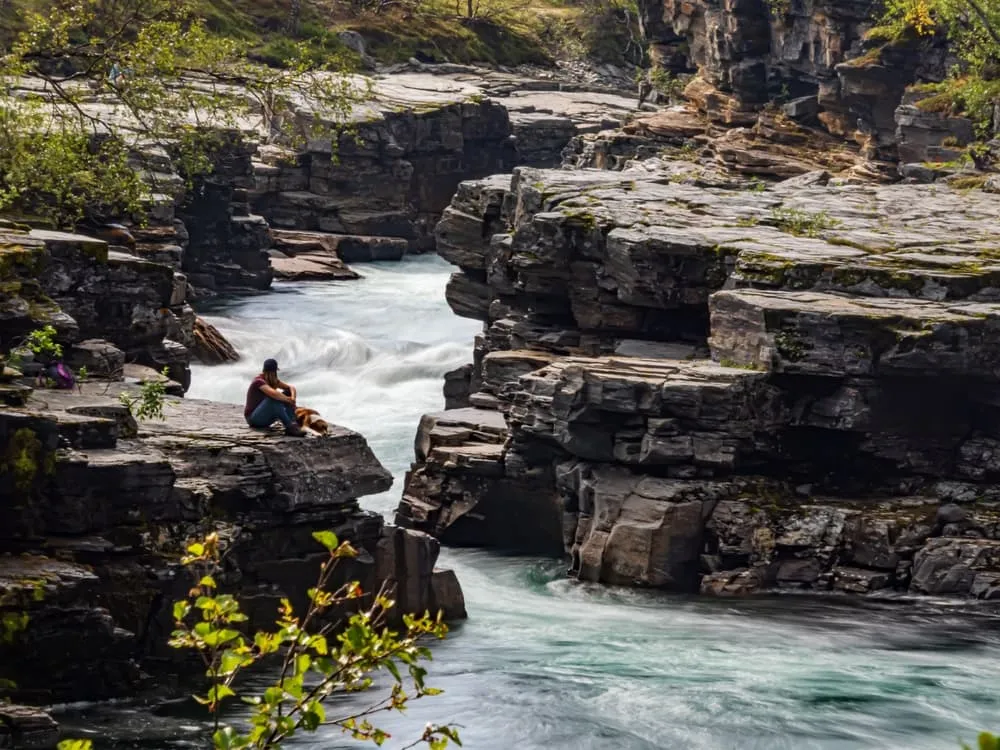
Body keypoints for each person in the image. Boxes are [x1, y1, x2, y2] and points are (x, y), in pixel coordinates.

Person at [244, 358, 306, 437]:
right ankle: (289, 426)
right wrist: (288, 400)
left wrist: (293, 398)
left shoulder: (273, 381)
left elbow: (291, 388)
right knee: (273, 399)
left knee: (287, 392)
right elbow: (273, 393)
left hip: (265, 417)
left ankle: (294, 423)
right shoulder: (258, 381)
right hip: (253, 419)